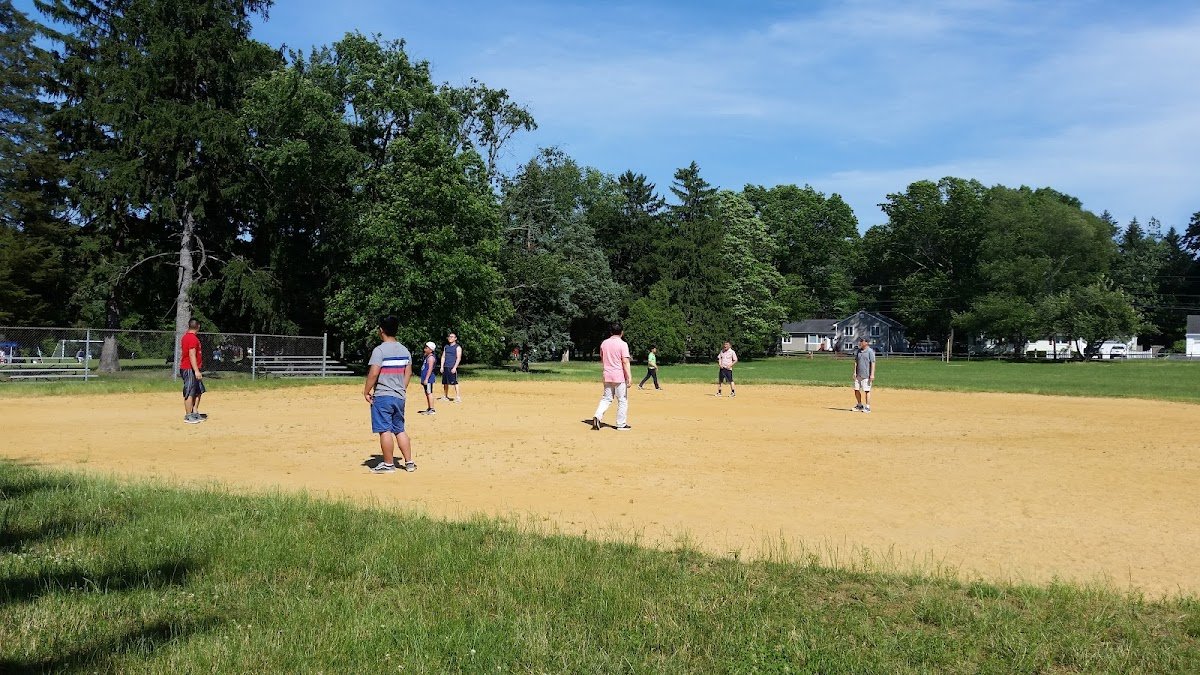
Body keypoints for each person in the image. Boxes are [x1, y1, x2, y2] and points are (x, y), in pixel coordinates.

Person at [364, 315, 415, 473]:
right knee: (399, 429)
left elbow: (373, 373)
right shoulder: (404, 350)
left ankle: (388, 464)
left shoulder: (379, 350)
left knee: (384, 430)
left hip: (383, 395)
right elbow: (408, 372)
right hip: (399, 396)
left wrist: (366, 391)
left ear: (381, 330)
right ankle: (409, 462)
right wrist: (402, 388)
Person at [592, 322, 632, 431]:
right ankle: (621, 424)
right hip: (619, 376)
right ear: (622, 332)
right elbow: (625, 361)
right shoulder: (623, 344)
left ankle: (597, 416)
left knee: (606, 398)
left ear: (611, 332)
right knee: (622, 400)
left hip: (607, 375)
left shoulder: (604, 343)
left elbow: (602, 358)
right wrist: (629, 376)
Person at [180, 318, 206, 424]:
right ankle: (188, 415)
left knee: (199, 390)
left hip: (193, 368)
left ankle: (194, 412)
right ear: (198, 326)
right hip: (189, 368)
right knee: (190, 391)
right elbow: (191, 354)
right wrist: (196, 371)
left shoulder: (190, 337)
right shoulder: (191, 338)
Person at [853, 336, 876, 413]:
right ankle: (859, 405)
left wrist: (872, 374)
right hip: (858, 374)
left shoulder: (870, 351)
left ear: (866, 342)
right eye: (860, 341)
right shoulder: (858, 351)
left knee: (867, 390)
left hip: (866, 375)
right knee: (856, 389)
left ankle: (867, 407)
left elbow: (873, 363)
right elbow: (856, 362)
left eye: (862, 341)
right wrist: (854, 372)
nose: (860, 342)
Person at [438, 332, 463, 403]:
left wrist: (455, 367)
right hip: (446, 366)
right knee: (445, 382)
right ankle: (445, 396)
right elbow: (443, 357)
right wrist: (442, 366)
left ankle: (458, 397)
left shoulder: (458, 347)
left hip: (452, 366)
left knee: (455, 382)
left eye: (452, 337)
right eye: (449, 336)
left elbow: (458, 358)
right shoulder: (446, 347)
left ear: (455, 338)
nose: (450, 338)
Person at [418, 341, 437, 416]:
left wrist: (426, 379)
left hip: (428, 379)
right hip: (425, 378)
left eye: (426, 348)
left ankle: (432, 409)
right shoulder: (427, 356)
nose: (425, 349)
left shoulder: (431, 358)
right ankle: (429, 408)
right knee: (427, 392)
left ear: (431, 350)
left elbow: (430, 369)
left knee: (429, 393)